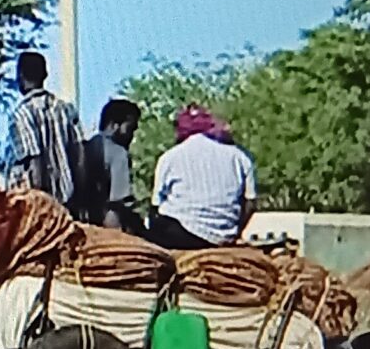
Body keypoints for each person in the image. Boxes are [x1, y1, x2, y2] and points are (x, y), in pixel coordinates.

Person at [148, 105, 257, 251]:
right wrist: (235, 232)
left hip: (180, 234)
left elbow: (156, 204)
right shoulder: (240, 157)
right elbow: (250, 202)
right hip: (223, 234)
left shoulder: (170, 157)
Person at [1, 51, 84, 205]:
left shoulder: (21, 115)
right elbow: (79, 156)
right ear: (45, 74)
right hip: (68, 200)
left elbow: (35, 162)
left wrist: (40, 202)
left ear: (20, 76)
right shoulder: (66, 109)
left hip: (33, 202)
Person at [69, 99, 143, 233]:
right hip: (107, 224)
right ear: (114, 125)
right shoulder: (119, 153)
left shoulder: (86, 147)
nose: (132, 136)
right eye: (130, 129)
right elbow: (117, 202)